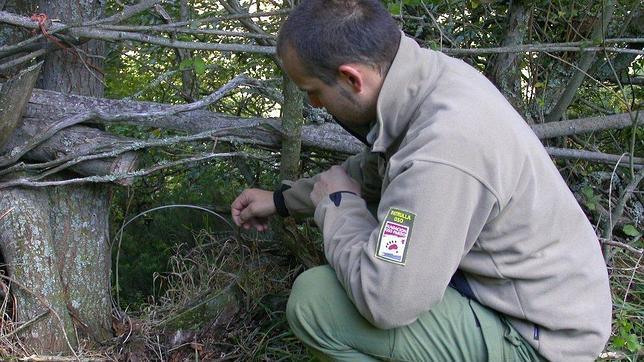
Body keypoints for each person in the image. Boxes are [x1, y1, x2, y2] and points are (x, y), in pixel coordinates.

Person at [230, 0, 612, 360]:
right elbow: (373, 173)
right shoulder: (426, 81)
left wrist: (338, 209)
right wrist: (281, 200)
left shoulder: (443, 150)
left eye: (314, 92)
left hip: (539, 338)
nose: (315, 104)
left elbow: (386, 301)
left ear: (350, 78)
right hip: (524, 294)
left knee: (316, 302)